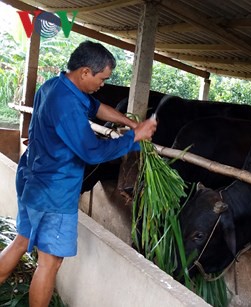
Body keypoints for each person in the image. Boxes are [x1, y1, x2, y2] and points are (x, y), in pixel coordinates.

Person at [0, 40, 157, 306]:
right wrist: (133, 137)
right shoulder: (68, 105)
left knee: (21, 241)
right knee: (50, 262)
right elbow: (92, 151)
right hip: (54, 191)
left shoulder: (55, 86)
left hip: (31, 179)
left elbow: (95, 107)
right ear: (85, 72)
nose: (103, 84)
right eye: (102, 78)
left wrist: (129, 121)